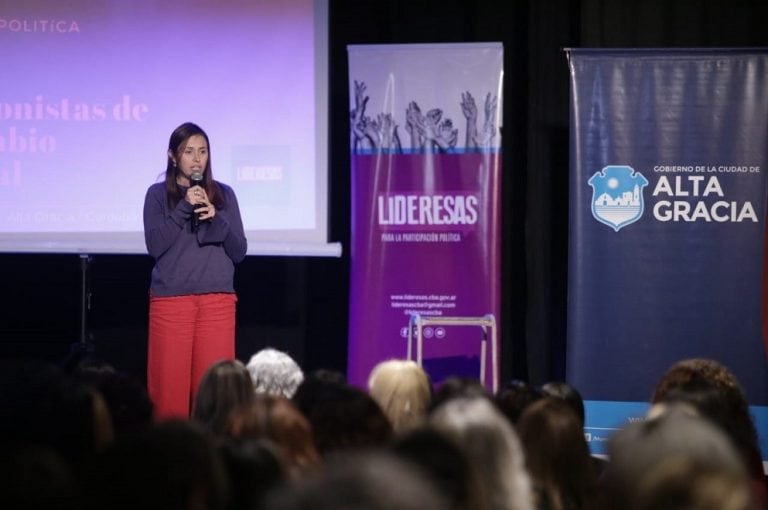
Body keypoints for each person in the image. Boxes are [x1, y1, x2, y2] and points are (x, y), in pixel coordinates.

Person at [143, 122, 247, 419]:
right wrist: (184, 207)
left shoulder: (224, 195)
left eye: (202, 151)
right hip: (171, 303)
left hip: (217, 302)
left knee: (214, 395)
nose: (197, 158)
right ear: (173, 157)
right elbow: (155, 244)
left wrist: (217, 219)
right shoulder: (157, 195)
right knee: (168, 392)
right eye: (189, 152)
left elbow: (239, 252)